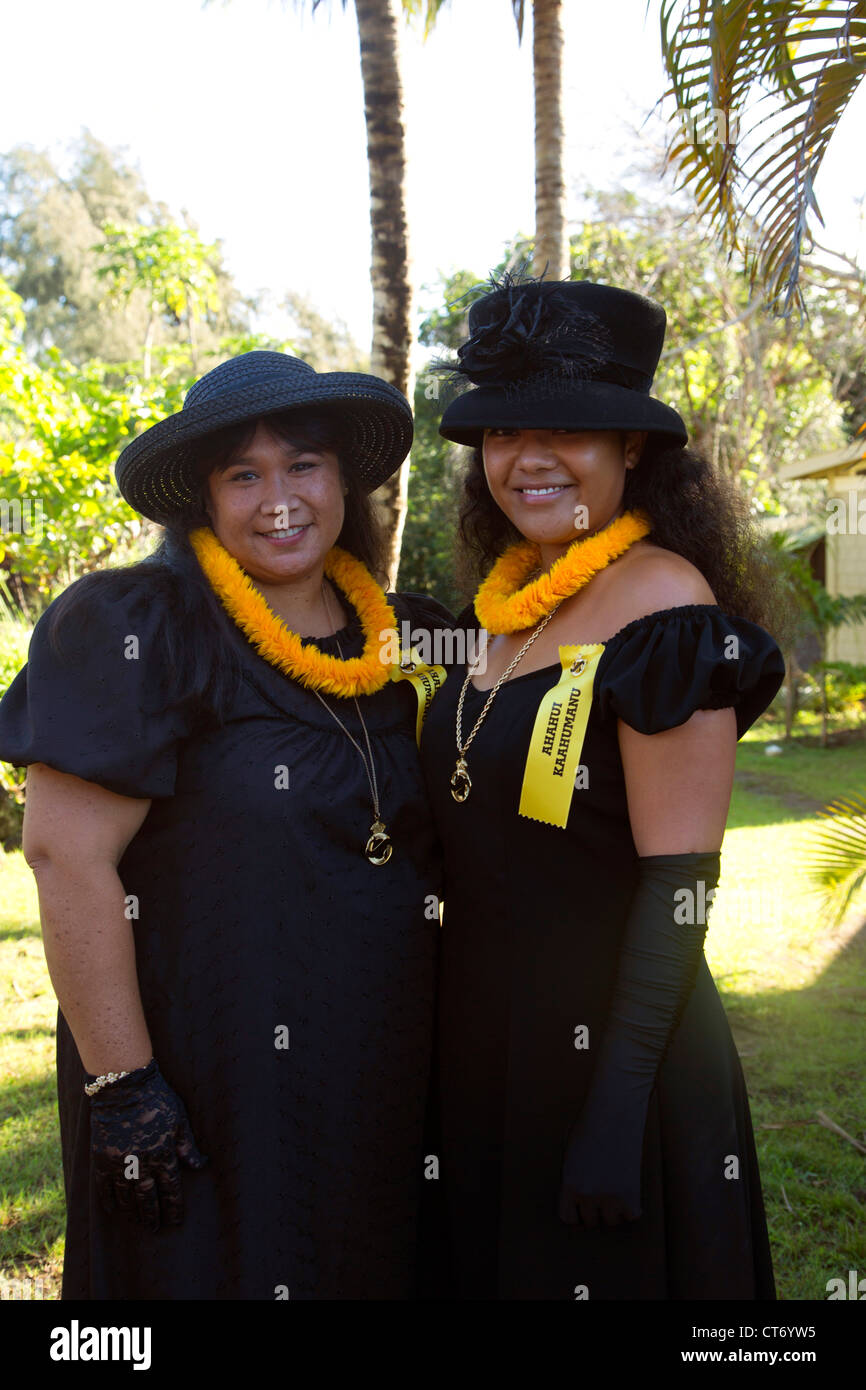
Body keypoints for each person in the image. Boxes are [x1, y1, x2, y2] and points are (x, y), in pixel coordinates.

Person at [0, 350, 454, 1300]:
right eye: (242, 474)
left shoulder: (408, 636)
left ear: (344, 481)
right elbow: (64, 856)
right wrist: (125, 1090)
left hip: (381, 1065)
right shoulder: (139, 629)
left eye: (302, 466)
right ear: (201, 499)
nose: (277, 498)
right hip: (206, 1067)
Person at [418, 274, 786, 1300]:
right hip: (488, 1051)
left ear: (630, 449)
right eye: (498, 431)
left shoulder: (664, 605)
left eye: (566, 427)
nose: (525, 457)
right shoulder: (497, 607)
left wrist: (618, 1110)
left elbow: (678, 886)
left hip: (616, 1054)